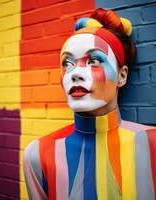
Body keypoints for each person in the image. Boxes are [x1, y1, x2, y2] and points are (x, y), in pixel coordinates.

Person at [23, 8, 156, 200]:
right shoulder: (37, 154)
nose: (75, 73)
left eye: (94, 60)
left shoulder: (152, 144)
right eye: (67, 63)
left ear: (122, 75)